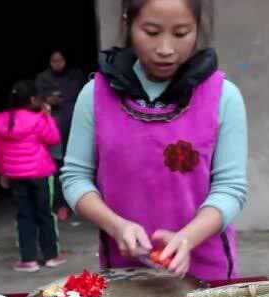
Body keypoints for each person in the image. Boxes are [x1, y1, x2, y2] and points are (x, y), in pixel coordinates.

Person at [61, 0, 248, 281]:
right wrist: (116, 225)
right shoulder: (95, 95)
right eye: (151, 32)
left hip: (208, 272)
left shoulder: (224, 96)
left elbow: (230, 188)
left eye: (181, 33)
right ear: (128, 24)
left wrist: (187, 238)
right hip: (124, 275)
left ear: (197, 29)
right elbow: (75, 178)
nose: (165, 49)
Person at [0, 80, 66, 272]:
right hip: (40, 173)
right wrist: (48, 116)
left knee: (24, 215)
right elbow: (53, 139)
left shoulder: (1, 120)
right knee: (45, 214)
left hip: (16, 175)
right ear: (32, 99)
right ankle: (51, 256)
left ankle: (29, 260)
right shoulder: (38, 119)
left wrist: (2, 173)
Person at [35, 50, 86, 221]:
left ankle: (77, 205)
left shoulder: (75, 77)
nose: (57, 64)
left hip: (74, 129)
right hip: (53, 133)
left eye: (60, 60)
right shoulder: (43, 79)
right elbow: (36, 101)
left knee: (77, 168)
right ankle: (59, 205)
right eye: (54, 60)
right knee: (55, 170)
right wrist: (48, 101)